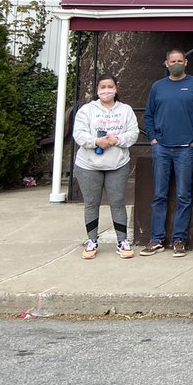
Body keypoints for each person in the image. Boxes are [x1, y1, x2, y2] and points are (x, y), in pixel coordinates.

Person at [142, 48, 193, 256]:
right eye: (173, 61)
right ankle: (157, 239)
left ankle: (179, 239)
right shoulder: (158, 87)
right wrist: (153, 138)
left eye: (180, 60)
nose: (176, 64)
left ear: (186, 62)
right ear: (166, 63)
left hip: (186, 149)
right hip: (161, 147)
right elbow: (148, 114)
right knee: (159, 195)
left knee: (183, 195)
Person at [73, 74, 140, 259]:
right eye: (102, 87)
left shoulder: (126, 110)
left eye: (110, 87)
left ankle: (122, 241)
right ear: (97, 90)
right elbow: (79, 134)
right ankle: (92, 241)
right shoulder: (86, 110)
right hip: (88, 165)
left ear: (116, 89)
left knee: (117, 202)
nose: (106, 90)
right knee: (91, 204)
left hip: (118, 164)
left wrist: (116, 140)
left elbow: (133, 133)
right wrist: (96, 141)